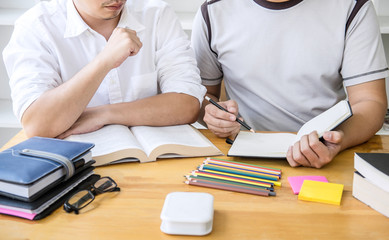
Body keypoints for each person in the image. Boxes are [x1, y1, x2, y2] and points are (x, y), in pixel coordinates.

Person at [191, 0, 388, 168]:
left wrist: (338, 139)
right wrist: (212, 114)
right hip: (242, 158)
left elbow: (370, 101)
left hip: (327, 156)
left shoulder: (352, 6)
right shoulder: (214, 11)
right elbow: (202, 96)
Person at [3, 0, 206, 139]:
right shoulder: (36, 27)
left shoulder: (157, 14)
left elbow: (187, 104)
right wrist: (104, 61)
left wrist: (103, 114)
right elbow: (37, 125)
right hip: (74, 168)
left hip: (153, 161)